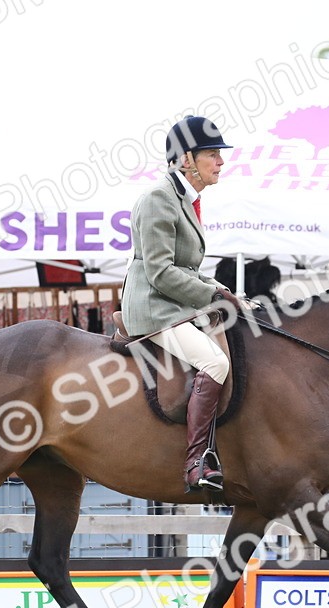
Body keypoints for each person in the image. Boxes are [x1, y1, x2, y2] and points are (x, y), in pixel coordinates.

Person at [120, 115, 242, 492]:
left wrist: (225, 292)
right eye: (212, 155)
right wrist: (211, 296)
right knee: (215, 361)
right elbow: (160, 272)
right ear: (186, 158)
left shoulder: (185, 200)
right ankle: (196, 463)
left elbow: (187, 267)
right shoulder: (159, 198)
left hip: (173, 303)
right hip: (153, 306)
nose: (220, 162)